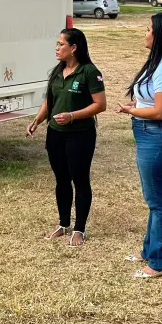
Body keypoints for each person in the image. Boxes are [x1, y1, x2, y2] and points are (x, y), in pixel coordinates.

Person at [116, 13, 162, 279]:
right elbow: (150, 103)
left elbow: (160, 111)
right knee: (154, 198)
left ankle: (161, 262)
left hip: (158, 137)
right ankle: (150, 249)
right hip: (150, 135)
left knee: (158, 201)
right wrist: (136, 106)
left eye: (148, 29)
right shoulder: (155, 63)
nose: (144, 33)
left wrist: (132, 112)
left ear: (159, 34)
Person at [26, 29, 107, 247]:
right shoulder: (57, 72)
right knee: (61, 180)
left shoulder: (89, 72)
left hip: (80, 135)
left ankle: (79, 228)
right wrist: (37, 121)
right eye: (57, 43)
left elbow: (100, 105)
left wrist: (72, 116)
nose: (57, 48)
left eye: (61, 44)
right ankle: (63, 224)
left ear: (74, 48)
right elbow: (49, 102)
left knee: (80, 181)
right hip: (55, 134)